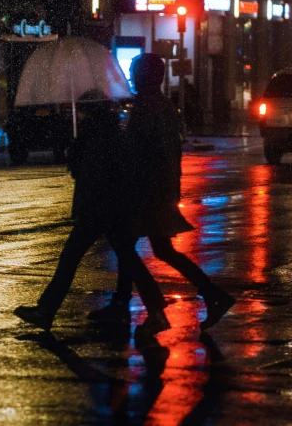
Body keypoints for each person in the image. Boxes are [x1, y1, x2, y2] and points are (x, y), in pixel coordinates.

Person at [88, 54, 235, 332]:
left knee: (127, 246)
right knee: (149, 248)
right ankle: (213, 295)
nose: (131, 76)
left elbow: (137, 151)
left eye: (135, 71)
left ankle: (155, 308)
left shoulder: (146, 107)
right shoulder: (163, 106)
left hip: (148, 192)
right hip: (161, 188)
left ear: (145, 76)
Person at [14, 91, 170, 343]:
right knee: (128, 260)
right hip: (116, 207)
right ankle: (156, 310)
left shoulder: (95, 135)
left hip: (98, 209)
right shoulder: (112, 131)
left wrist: (76, 153)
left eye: (82, 110)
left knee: (70, 258)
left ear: (88, 110)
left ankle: (46, 311)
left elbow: (90, 175)